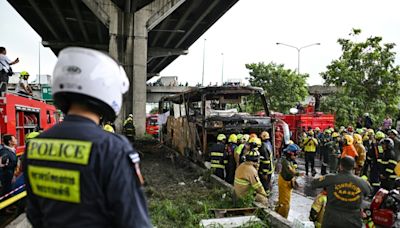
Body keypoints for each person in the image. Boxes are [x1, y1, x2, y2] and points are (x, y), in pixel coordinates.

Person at [22, 47, 151, 227]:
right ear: (107, 87)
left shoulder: (34, 146)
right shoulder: (112, 148)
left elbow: (34, 214)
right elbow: (134, 221)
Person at [311, 156, 371, 228]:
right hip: (353, 221)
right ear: (353, 166)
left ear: (340, 166)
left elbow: (314, 183)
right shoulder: (362, 182)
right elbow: (368, 191)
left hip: (332, 220)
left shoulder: (331, 178)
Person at [275, 143, 303, 218]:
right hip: (284, 182)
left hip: (287, 181)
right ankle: (282, 219)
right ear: (290, 153)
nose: (296, 156)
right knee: (285, 203)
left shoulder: (289, 160)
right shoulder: (285, 162)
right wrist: (298, 174)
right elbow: (291, 171)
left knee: (282, 200)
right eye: (295, 154)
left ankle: (276, 213)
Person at [258, 131, 274, 196]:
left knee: (265, 184)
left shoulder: (263, 146)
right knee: (267, 183)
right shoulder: (269, 143)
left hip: (265, 170)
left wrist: (264, 173)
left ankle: (265, 197)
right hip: (270, 169)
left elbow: (266, 161)